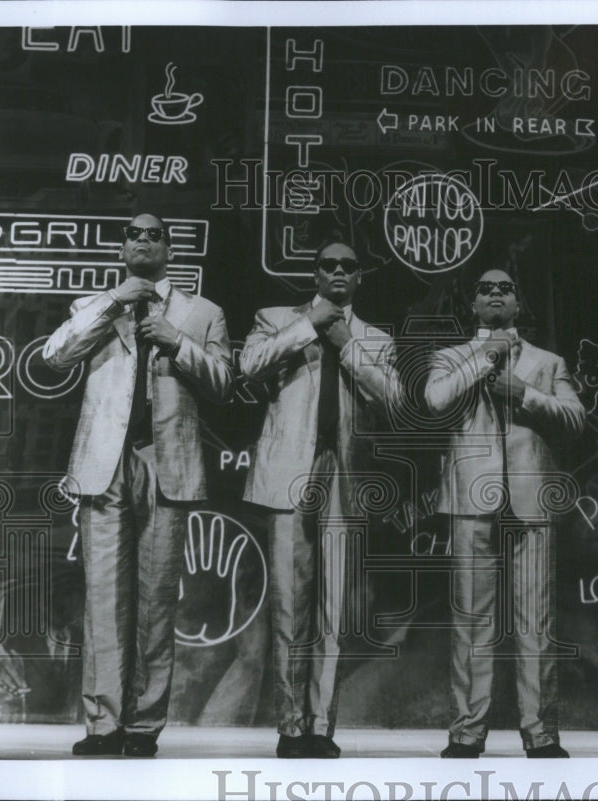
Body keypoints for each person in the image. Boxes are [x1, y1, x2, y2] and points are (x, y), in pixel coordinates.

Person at [43, 213, 234, 757]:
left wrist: (177, 342)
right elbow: (54, 357)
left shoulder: (202, 313)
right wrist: (114, 303)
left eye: (154, 233)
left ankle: (143, 727)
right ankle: (103, 726)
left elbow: (225, 383)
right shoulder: (93, 307)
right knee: (103, 599)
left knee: (155, 603)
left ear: (169, 248)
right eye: (133, 233)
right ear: (122, 247)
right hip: (105, 461)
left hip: (167, 462)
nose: (143, 239)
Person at [240, 236, 402, 759]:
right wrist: (310, 325)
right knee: (290, 606)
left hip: (346, 476)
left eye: (348, 266)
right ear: (315, 274)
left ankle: (320, 727)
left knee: (334, 610)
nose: (337, 271)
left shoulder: (374, 338)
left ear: (359, 278)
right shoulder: (275, 317)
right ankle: (290, 727)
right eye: (327, 264)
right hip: (290, 467)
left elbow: (396, 400)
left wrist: (344, 342)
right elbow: (249, 365)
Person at [425, 269, 585, 758]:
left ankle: (541, 734)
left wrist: (523, 393)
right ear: (472, 303)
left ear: (519, 303)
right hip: (470, 498)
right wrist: (485, 358)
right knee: (471, 621)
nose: (496, 293)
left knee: (536, 621)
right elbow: (435, 401)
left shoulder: (547, 362)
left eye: (506, 288)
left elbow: (576, 419)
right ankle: (467, 732)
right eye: (485, 288)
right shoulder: (450, 357)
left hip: (531, 497)